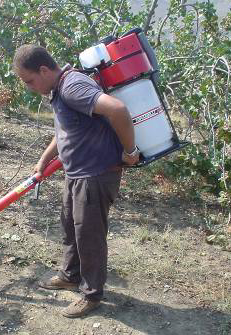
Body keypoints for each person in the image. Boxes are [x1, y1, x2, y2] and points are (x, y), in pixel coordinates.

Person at [13, 44, 139, 318]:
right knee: (71, 226)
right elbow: (65, 131)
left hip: (94, 175)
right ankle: (70, 275)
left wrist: (130, 152)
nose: (30, 87)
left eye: (30, 80)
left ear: (44, 70)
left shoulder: (72, 87)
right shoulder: (58, 89)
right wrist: (44, 160)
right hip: (76, 173)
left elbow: (117, 109)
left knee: (89, 236)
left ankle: (92, 294)